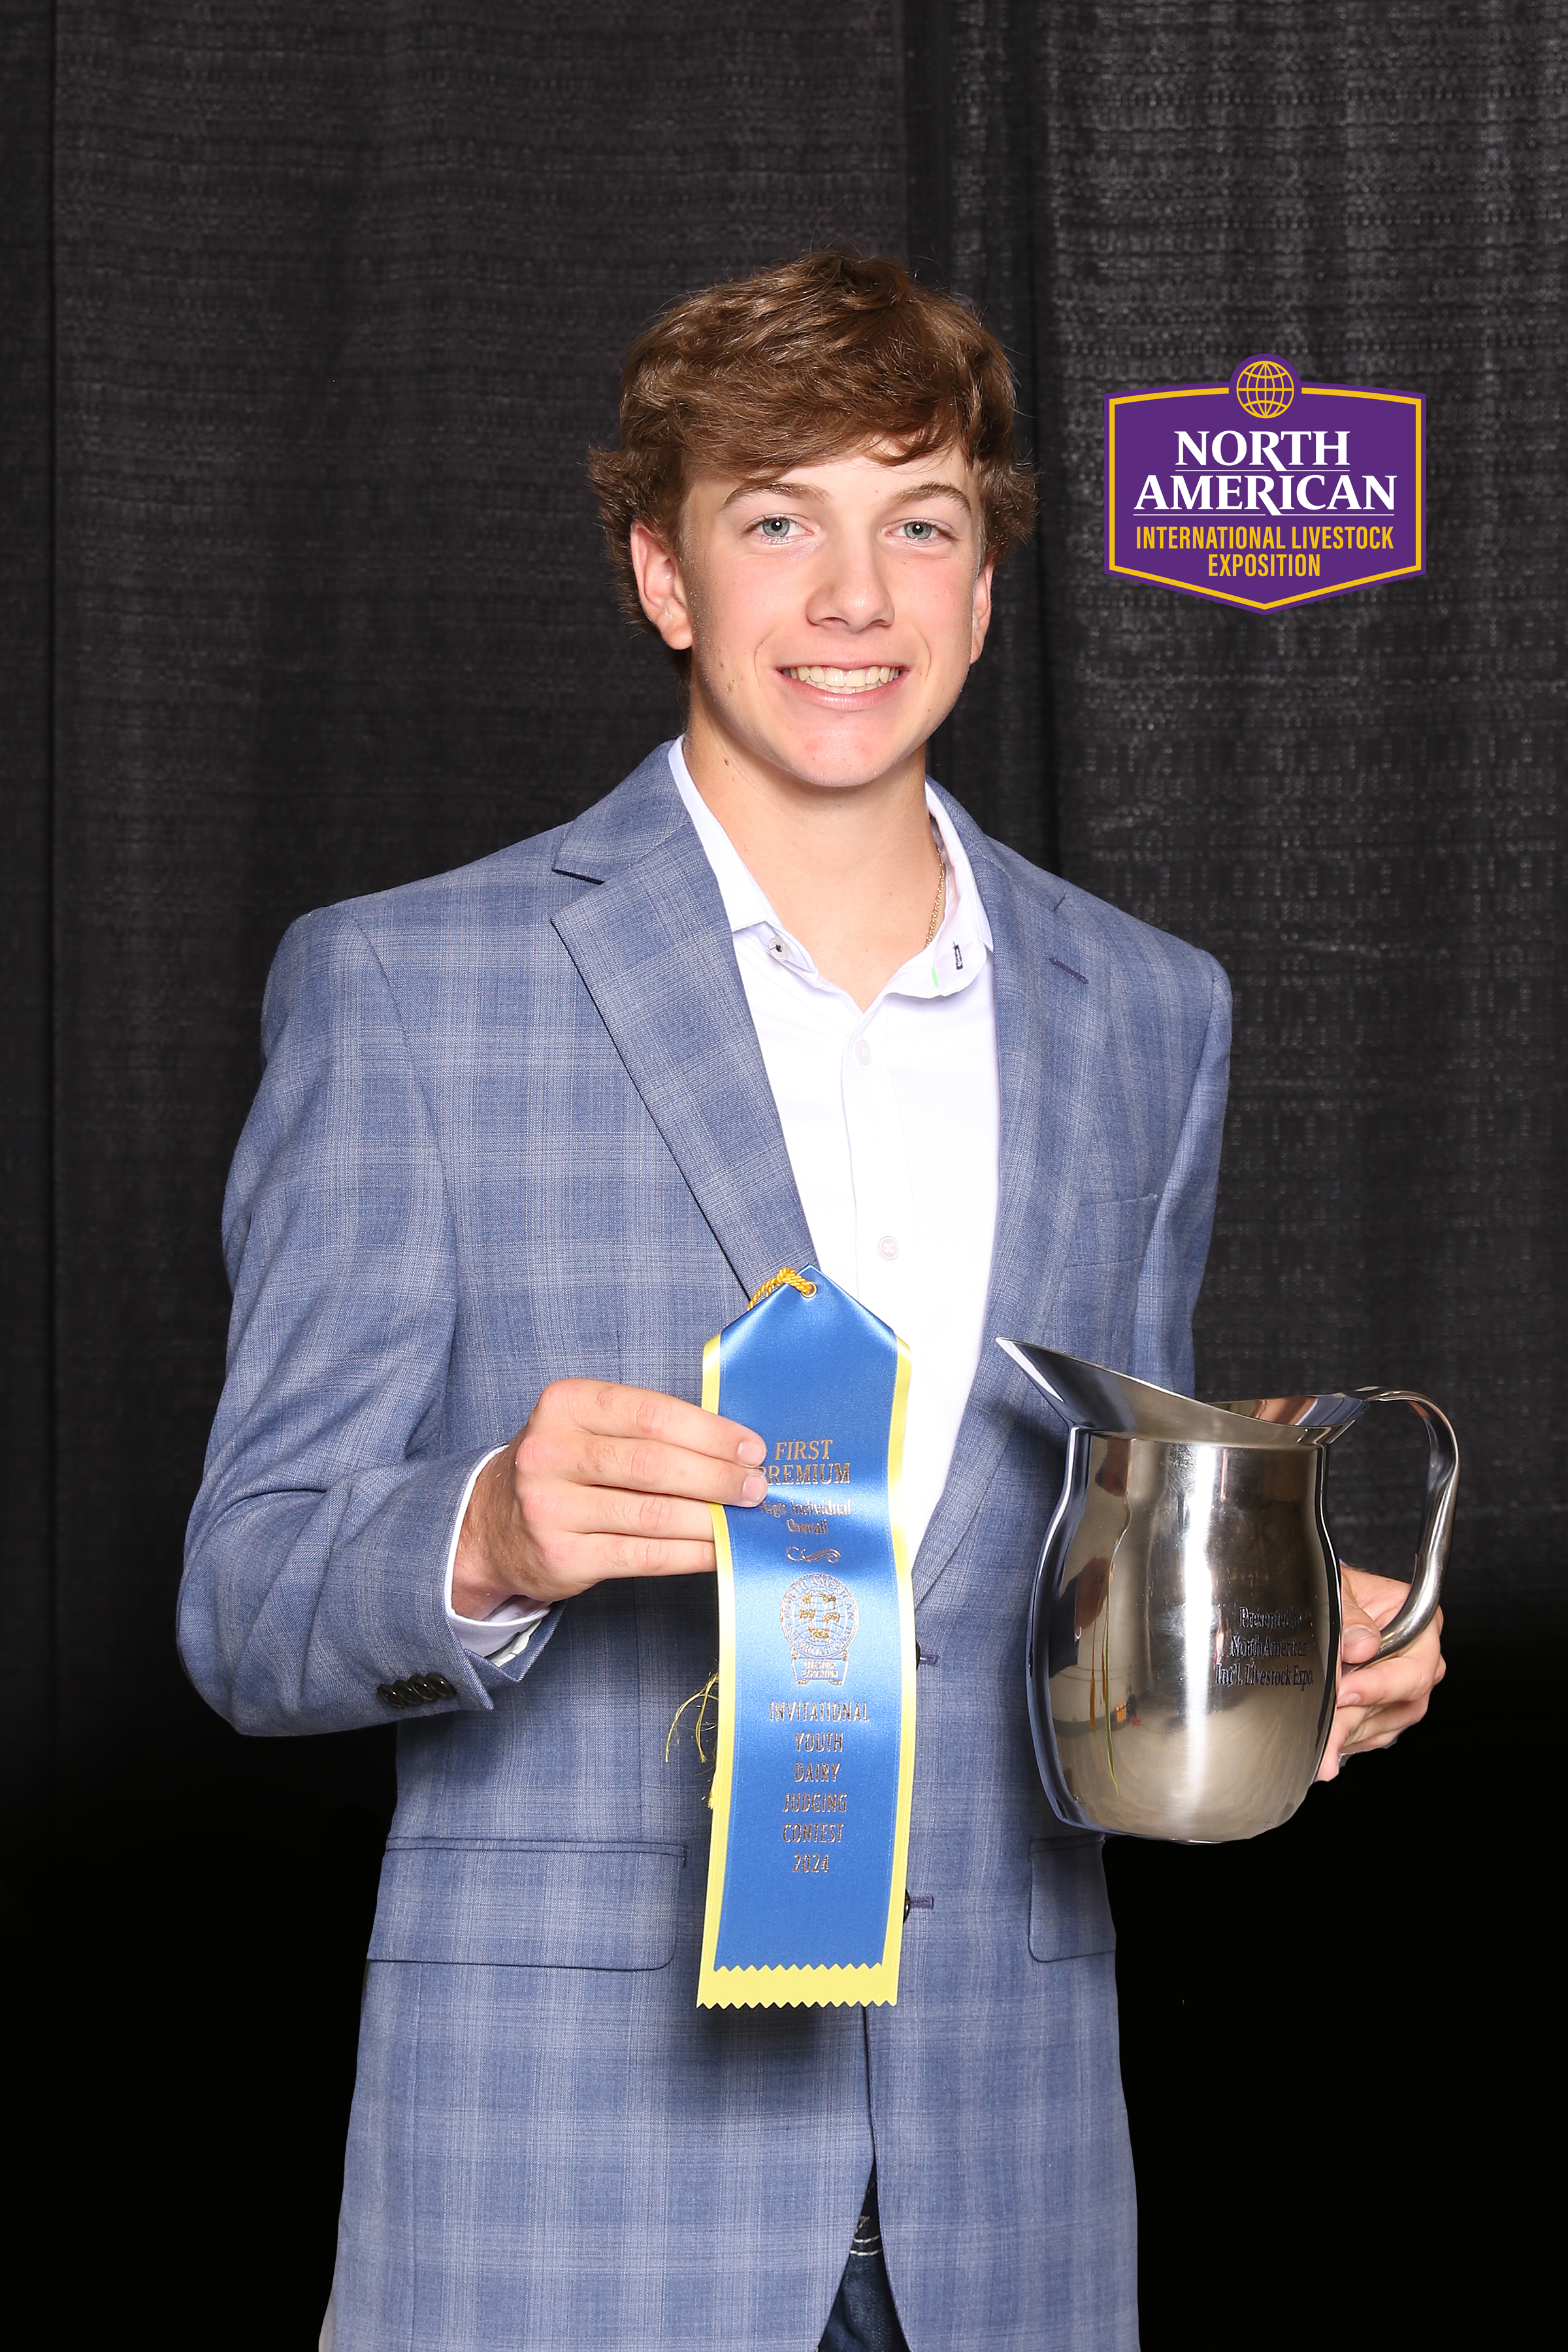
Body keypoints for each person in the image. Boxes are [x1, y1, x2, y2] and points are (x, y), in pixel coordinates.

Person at [179, 250, 1443, 2352]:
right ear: (666, 577)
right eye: (780, 519)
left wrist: (1272, 1664)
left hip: (1012, 2192)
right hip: (564, 2201)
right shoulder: (407, 987)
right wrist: (484, 1532)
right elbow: (248, 1604)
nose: (855, 595)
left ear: (978, 580)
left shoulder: (1147, 1014)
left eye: (918, 521)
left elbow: (1074, 1613)